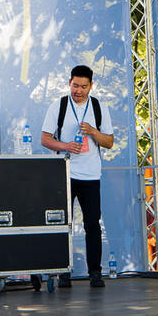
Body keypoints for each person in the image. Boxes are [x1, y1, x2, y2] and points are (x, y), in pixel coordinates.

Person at [40, 65, 114, 286]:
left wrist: (93, 132)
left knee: (93, 224)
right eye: (75, 86)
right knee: (63, 224)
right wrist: (66, 146)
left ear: (91, 86)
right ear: (69, 83)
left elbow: (109, 142)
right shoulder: (59, 106)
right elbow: (45, 139)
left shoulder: (99, 107)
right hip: (65, 174)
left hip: (91, 175)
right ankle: (63, 271)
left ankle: (95, 272)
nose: (78, 91)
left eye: (83, 86)